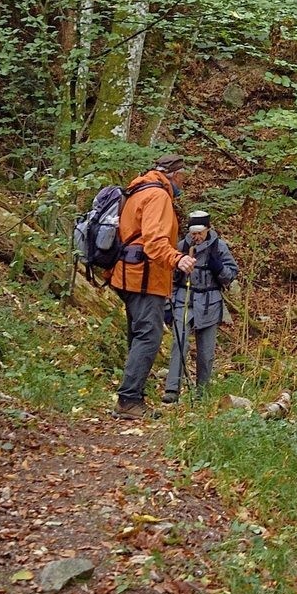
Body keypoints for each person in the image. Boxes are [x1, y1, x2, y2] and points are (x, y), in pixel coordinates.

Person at [109, 155, 193, 415]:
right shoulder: (157, 196)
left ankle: (132, 396)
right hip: (145, 278)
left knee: (138, 336)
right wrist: (177, 258)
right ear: (174, 175)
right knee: (149, 336)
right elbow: (154, 241)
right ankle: (129, 400)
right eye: (183, 177)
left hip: (128, 275)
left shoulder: (138, 190)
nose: (183, 183)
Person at [162, 209, 239, 403]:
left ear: (208, 229)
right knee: (179, 344)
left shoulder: (219, 248)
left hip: (209, 303)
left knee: (206, 351)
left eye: (199, 233)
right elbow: (169, 276)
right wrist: (167, 305)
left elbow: (231, 275)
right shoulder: (181, 246)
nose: (196, 237)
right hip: (183, 300)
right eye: (193, 233)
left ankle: (202, 393)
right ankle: (172, 390)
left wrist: (218, 268)